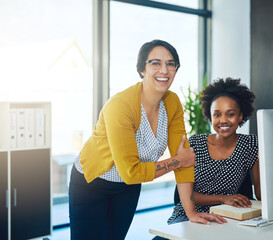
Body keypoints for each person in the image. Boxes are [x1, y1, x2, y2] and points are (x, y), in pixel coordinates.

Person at [68, 39, 226, 240]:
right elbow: (135, 171)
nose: (164, 70)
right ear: (142, 69)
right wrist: (178, 160)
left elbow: (184, 159)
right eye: (155, 63)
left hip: (128, 187)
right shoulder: (120, 106)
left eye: (171, 64)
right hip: (93, 182)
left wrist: (191, 213)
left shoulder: (172, 102)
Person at [167, 77, 260, 224]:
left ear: (240, 116)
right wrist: (223, 198)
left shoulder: (251, 144)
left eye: (230, 114)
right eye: (217, 114)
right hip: (189, 213)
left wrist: (265, 160)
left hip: (227, 215)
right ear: (210, 117)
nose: (223, 120)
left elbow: (261, 195)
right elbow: (183, 195)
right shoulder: (194, 144)